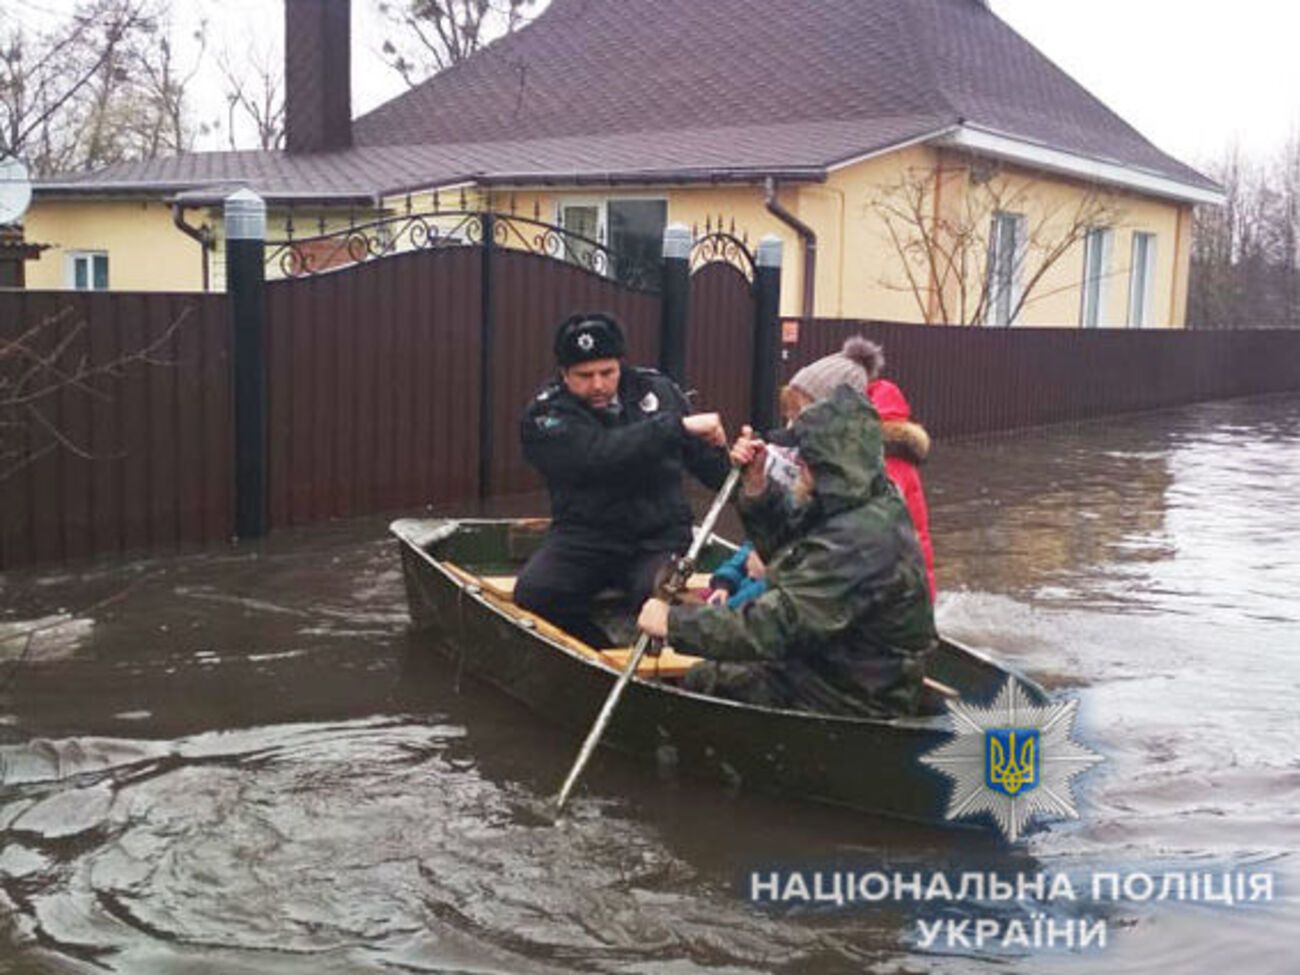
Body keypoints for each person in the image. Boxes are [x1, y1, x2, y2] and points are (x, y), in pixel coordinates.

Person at [637, 382, 937, 718]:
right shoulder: (861, 499)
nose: (796, 461)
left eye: (804, 455)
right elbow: (788, 552)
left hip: (852, 694)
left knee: (705, 678)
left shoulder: (859, 538)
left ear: (826, 462)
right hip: (838, 661)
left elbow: (776, 626)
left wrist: (674, 623)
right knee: (721, 665)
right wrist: (757, 487)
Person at [515, 313, 731, 647]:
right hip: (584, 537)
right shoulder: (546, 414)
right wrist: (675, 427)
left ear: (621, 365)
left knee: (657, 596)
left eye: (607, 372)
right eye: (584, 376)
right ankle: (596, 651)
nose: (598, 385)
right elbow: (596, 455)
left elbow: (708, 466)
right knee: (535, 593)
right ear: (563, 375)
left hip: (658, 538)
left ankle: (674, 669)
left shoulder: (658, 392)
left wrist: (734, 459)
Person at [781, 336, 936, 600]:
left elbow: (863, 547)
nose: (794, 425)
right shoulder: (844, 455)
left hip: (889, 599)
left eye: (803, 412)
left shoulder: (883, 463)